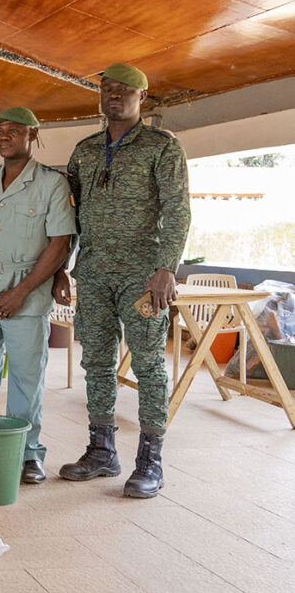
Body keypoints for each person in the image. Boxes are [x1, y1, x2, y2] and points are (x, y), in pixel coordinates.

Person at [60, 63, 190, 498]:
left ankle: (150, 462)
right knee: (95, 362)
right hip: (94, 273)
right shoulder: (84, 150)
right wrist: (65, 264)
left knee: (149, 363)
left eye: (124, 90)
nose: (113, 95)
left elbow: (177, 209)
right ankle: (102, 450)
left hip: (144, 277)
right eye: (107, 89)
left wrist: (166, 268)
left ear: (142, 98)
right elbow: (71, 215)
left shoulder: (161, 146)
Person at [0, 107, 75, 484]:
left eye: (13, 130)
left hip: (28, 292)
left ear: (32, 135)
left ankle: (28, 455)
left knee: (26, 378)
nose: (4, 136)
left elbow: (59, 243)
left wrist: (21, 291)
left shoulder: (52, 184)